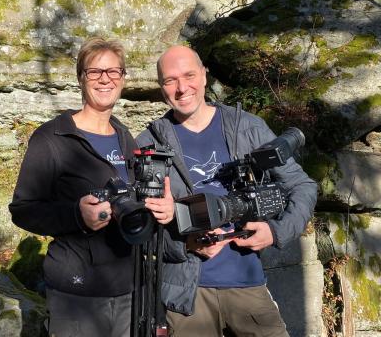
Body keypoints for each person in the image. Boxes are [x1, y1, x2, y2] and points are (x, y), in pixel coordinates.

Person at [136, 45, 318, 337]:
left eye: (189, 75)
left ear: (204, 76)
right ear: (161, 87)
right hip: (187, 294)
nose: (182, 88)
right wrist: (184, 243)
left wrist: (276, 231)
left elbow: (303, 186)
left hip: (247, 283)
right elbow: (138, 233)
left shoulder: (246, 128)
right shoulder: (149, 145)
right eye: (170, 80)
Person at [9, 37, 174, 337]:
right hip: (78, 293)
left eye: (113, 72)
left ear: (123, 79)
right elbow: (22, 210)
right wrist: (76, 215)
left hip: (129, 288)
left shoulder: (126, 138)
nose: (105, 79)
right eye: (94, 72)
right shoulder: (52, 138)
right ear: (81, 79)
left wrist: (160, 207)